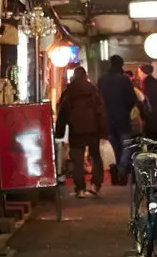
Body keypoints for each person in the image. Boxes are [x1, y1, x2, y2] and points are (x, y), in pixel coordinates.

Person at [54, 65, 109, 197]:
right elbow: (101, 112)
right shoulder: (93, 90)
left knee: (77, 160)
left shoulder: (69, 91)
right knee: (96, 157)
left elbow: (63, 112)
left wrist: (59, 132)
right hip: (93, 130)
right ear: (86, 76)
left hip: (76, 130)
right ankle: (96, 184)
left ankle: (80, 189)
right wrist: (103, 131)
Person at [97, 55, 139, 185]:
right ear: (121, 65)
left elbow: (98, 99)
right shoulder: (125, 80)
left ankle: (115, 170)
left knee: (114, 148)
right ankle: (121, 168)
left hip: (107, 120)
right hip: (123, 120)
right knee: (127, 146)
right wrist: (125, 110)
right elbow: (132, 99)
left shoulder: (102, 80)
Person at [140, 64, 157, 140]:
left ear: (143, 72)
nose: (139, 74)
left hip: (149, 118)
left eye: (140, 71)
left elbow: (144, 101)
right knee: (155, 139)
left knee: (149, 140)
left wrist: (142, 116)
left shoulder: (145, 84)